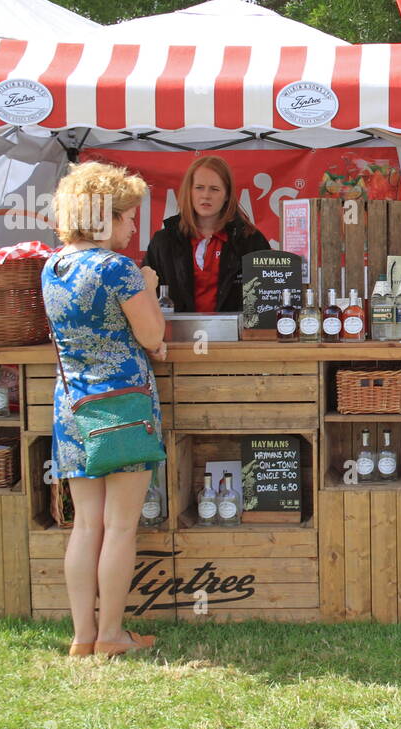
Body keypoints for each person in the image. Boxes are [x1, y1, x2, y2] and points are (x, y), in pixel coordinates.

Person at [43, 161, 166, 658]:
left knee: (86, 525)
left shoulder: (53, 267)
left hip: (73, 406)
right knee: (120, 526)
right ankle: (112, 635)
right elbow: (153, 336)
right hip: (123, 407)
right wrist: (149, 288)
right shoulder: (118, 269)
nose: (133, 226)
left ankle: (82, 636)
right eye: (128, 216)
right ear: (106, 217)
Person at [143, 155, 271, 312]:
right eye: (199, 187)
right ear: (189, 192)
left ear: (227, 196)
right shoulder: (163, 241)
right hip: (175, 335)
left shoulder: (250, 240)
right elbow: (145, 296)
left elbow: (267, 298)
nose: (206, 195)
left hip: (236, 335)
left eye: (215, 189)